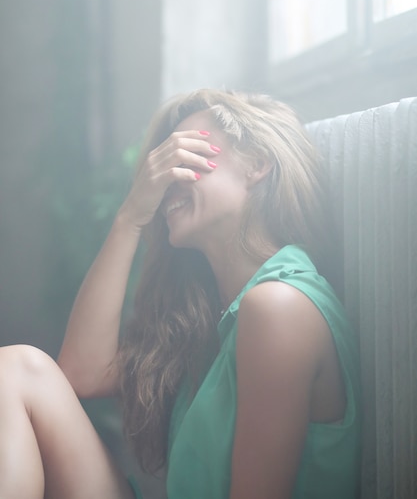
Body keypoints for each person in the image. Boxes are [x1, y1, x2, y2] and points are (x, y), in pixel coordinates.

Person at [0, 89, 361, 499]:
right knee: (16, 369)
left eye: (182, 158)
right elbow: (82, 373)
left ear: (257, 164)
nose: (165, 182)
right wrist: (131, 215)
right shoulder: (217, 316)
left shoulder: (278, 307)